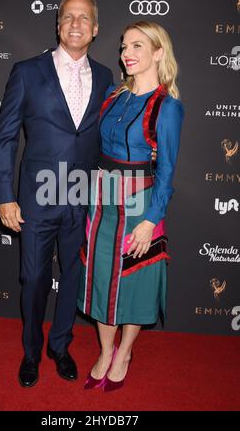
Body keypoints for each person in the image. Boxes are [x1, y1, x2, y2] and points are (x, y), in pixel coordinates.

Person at [0, 0, 113, 387]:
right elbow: (6, 137)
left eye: (83, 18)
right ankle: (31, 351)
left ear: (95, 29)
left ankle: (60, 346)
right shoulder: (27, 71)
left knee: (74, 276)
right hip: (36, 197)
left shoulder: (108, 77)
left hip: (82, 193)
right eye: (68, 17)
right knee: (33, 279)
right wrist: (5, 195)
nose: (75, 24)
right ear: (58, 24)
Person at [77, 21, 184, 392]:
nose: (127, 53)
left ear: (158, 52)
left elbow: (167, 171)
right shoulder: (112, 94)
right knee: (101, 281)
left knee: (133, 283)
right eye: (124, 46)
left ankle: (124, 352)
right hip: (101, 201)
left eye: (138, 46)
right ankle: (105, 351)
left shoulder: (167, 107)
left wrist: (151, 220)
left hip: (139, 206)